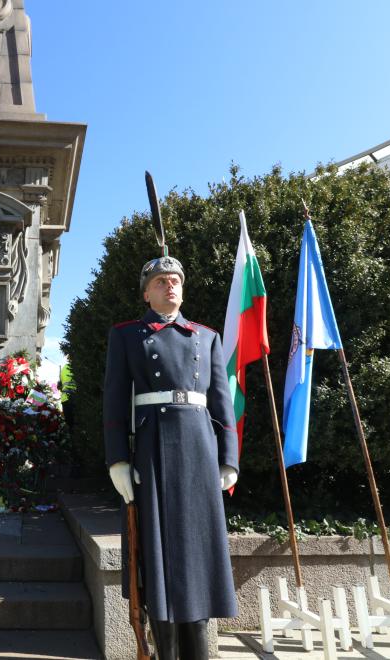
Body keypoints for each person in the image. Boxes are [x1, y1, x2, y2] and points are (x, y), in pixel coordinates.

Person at [103, 255, 239, 660]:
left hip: (199, 450)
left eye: (176, 279)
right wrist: (118, 460)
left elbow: (221, 402)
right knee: (157, 555)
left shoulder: (206, 337)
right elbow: (113, 400)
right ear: (146, 292)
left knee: (198, 555)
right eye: (161, 281)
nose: (170, 285)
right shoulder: (127, 334)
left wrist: (228, 459)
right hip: (153, 449)